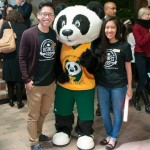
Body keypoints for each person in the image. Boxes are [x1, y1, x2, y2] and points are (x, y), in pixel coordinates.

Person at [19, 2, 57, 150]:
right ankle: (34, 142)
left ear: (53, 17)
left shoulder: (53, 34)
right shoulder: (28, 34)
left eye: (50, 14)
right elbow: (22, 58)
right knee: (33, 116)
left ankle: (39, 133)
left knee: (44, 112)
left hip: (49, 83)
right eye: (44, 14)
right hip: (34, 83)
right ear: (39, 15)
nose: (47, 17)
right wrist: (26, 79)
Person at [95, 16, 133, 150]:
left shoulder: (125, 46)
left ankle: (113, 138)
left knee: (117, 112)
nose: (109, 30)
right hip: (102, 86)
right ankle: (109, 134)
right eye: (107, 27)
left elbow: (128, 67)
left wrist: (129, 87)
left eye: (112, 27)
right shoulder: (99, 46)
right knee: (104, 114)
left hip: (119, 86)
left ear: (117, 29)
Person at [0, 9, 27, 108]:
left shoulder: (6, 25)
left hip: (8, 56)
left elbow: (1, 38)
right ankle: (19, 102)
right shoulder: (24, 27)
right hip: (20, 56)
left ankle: (11, 100)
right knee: (19, 80)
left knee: (9, 80)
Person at [95, 1, 117, 116]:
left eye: (115, 8)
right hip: (102, 56)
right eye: (112, 8)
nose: (115, 10)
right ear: (106, 10)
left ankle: (112, 105)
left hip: (114, 56)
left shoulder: (118, 23)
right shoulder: (99, 23)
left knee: (113, 80)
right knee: (101, 82)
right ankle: (100, 106)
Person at [133, 7, 150, 113]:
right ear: (141, 15)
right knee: (143, 80)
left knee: (144, 80)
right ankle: (147, 105)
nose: (149, 16)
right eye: (147, 14)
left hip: (149, 55)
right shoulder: (137, 26)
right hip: (140, 56)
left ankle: (136, 100)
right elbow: (141, 43)